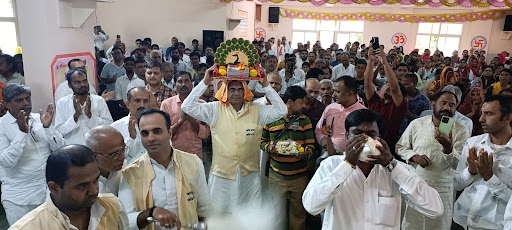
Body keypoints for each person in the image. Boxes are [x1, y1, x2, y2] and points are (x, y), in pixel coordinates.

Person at [302, 109, 444, 230]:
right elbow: (311, 206)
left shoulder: (395, 170)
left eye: (371, 135)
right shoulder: (331, 165)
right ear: (347, 137)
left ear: (379, 138)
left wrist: (392, 165)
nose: (364, 140)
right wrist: (347, 165)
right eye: (357, 134)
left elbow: (435, 209)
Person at [181, 66, 287, 214]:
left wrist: (266, 86)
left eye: (240, 89)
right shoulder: (215, 109)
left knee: (248, 215)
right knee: (220, 215)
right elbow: (187, 106)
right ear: (225, 91)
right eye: (232, 89)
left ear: (245, 92)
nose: (236, 93)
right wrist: (205, 82)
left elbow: (282, 110)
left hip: (249, 177)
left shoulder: (257, 110)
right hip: (222, 177)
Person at [119, 109, 210, 230]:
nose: (151, 138)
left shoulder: (193, 163)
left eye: (157, 131)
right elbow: (124, 220)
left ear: (170, 133)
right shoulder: (130, 173)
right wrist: (150, 213)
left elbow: (203, 210)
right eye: (145, 133)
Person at [396, 86, 469, 229]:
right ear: (433, 104)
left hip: (442, 188)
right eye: (443, 103)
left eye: (452, 105)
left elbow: (459, 165)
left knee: (438, 225)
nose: (447, 108)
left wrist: (448, 148)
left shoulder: (461, 130)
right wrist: (414, 156)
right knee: (411, 223)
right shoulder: (417, 124)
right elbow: (400, 147)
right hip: (415, 185)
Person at [9, 145, 129, 229]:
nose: (94, 191)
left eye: (96, 180)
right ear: (54, 188)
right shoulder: (28, 227)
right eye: (82, 186)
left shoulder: (112, 205)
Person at [0, 84, 65, 225]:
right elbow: (6, 161)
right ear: (6, 104)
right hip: (19, 198)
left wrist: (48, 128)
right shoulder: (1, 126)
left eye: (27, 99)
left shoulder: (40, 119)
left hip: (47, 193)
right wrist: (22, 133)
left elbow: (61, 149)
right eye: (19, 100)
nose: (25, 103)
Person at [453, 94, 512, 230]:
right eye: (481, 113)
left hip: (492, 225)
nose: (481, 119)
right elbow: (456, 184)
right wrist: (470, 171)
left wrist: (490, 178)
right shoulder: (473, 143)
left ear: (508, 117)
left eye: (489, 114)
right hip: (461, 219)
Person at [260, 86, 315, 230]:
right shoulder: (271, 119)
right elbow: (262, 141)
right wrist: (271, 148)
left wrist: (306, 153)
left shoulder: (305, 120)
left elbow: (311, 146)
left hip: (299, 177)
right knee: (276, 214)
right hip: (277, 176)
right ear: (290, 102)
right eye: (301, 102)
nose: (304, 105)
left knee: (298, 214)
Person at [365, 47, 407, 160]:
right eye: (387, 86)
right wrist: (371, 61)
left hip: (386, 150)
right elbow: (368, 82)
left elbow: (395, 88)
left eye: (390, 87)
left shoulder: (399, 107)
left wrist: (385, 63)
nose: (388, 87)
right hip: (368, 145)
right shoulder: (376, 101)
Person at [55, 69, 113, 145]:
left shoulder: (99, 100)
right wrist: (75, 116)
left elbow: (109, 127)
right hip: (74, 149)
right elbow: (59, 132)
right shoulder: (62, 103)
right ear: (69, 85)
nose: (82, 85)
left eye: (85, 81)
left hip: (96, 148)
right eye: (77, 82)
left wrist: (90, 116)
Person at [160, 71, 210, 159]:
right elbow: (164, 134)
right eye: (180, 81)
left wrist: (191, 120)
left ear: (192, 84)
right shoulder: (166, 104)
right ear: (175, 85)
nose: (184, 84)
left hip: (195, 154)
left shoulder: (202, 104)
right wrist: (181, 121)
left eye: (187, 81)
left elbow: (205, 134)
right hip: (174, 154)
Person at [315, 76, 366, 155]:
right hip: (327, 157)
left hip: (352, 158)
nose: (334, 94)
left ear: (349, 93)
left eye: (337, 92)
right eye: (334, 91)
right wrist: (323, 140)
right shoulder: (330, 108)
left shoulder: (363, 112)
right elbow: (318, 130)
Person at [110, 87, 152, 164]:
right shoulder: (115, 128)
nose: (142, 105)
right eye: (137, 101)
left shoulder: (156, 125)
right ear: (127, 104)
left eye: (145, 101)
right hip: (127, 173)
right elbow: (114, 158)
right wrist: (131, 139)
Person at [84, 126, 126, 195]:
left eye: (123, 150)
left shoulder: (126, 170)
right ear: (93, 155)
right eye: (114, 154)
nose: (122, 157)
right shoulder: (83, 182)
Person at [398, 73, 431, 137]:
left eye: (406, 84)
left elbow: (426, 122)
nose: (403, 87)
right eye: (402, 84)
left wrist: (408, 112)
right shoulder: (399, 97)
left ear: (415, 84)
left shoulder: (424, 100)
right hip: (399, 133)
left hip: (414, 134)